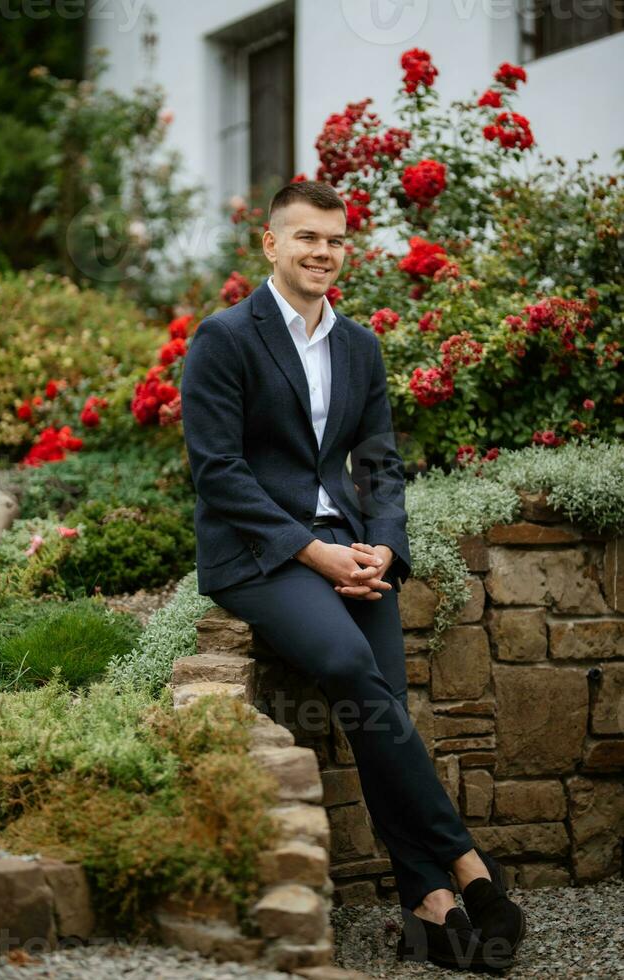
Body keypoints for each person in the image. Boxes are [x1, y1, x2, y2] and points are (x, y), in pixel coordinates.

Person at [180, 180, 525, 971]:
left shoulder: (359, 345)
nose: (322, 253)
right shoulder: (225, 337)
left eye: (335, 240)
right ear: (270, 244)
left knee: (379, 705)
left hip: (347, 546)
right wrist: (312, 550)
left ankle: (426, 901)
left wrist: (383, 549)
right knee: (346, 666)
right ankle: (469, 865)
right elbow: (220, 472)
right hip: (256, 555)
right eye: (306, 237)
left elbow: (378, 465)